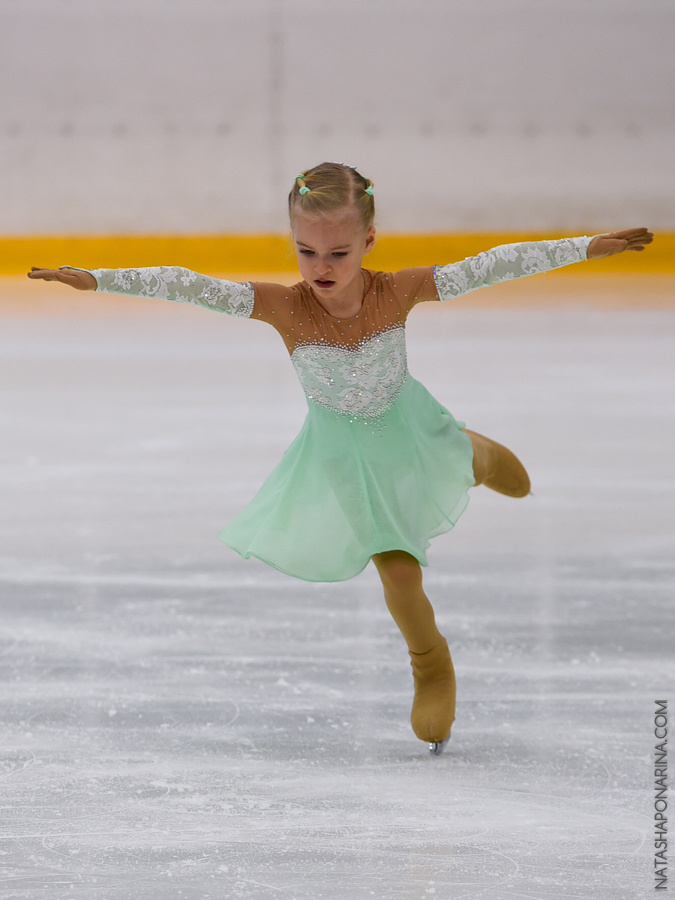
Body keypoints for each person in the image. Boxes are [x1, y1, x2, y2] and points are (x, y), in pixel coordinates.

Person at [28, 161, 653, 754]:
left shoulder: (400, 292)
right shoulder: (282, 307)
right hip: (343, 456)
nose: (320, 267)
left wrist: (587, 246)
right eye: (306, 251)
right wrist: (97, 279)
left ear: (369, 241)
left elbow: (491, 265)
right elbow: (188, 286)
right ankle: (431, 664)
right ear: (292, 241)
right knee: (399, 573)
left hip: (410, 427)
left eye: (337, 252)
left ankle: (471, 454)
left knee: (453, 456)